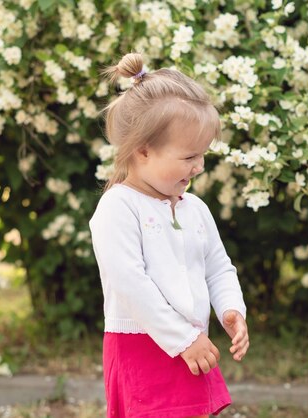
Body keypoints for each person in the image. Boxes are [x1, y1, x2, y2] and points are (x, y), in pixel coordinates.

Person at [89, 52, 249, 418]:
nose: (200, 166)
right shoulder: (118, 208)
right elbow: (131, 286)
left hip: (190, 344)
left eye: (203, 155)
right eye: (190, 156)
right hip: (141, 347)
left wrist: (230, 309)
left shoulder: (194, 208)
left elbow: (218, 267)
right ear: (143, 150)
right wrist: (183, 339)